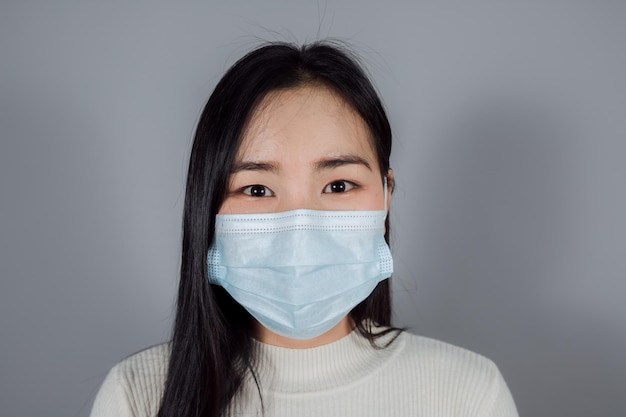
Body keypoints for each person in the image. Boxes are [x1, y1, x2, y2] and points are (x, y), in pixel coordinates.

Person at [90, 41, 519, 417]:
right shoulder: (139, 397)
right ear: (207, 205)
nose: (300, 226)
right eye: (257, 189)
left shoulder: (467, 394)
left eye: (338, 185)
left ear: (386, 194)